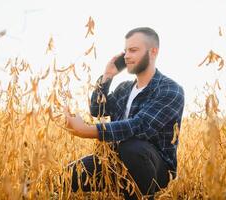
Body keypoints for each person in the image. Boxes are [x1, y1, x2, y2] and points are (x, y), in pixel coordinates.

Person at [64, 27, 185, 199]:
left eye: (133, 50)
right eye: (126, 51)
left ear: (153, 52)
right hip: (115, 164)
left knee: (131, 147)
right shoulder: (124, 88)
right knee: (67, 176)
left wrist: (87, 131)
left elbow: (140, 126)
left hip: (155, 169)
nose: (127, 56)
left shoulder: (170, 90)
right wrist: (107, 76)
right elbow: (98, 110)